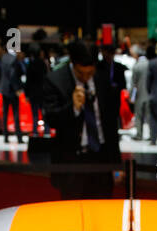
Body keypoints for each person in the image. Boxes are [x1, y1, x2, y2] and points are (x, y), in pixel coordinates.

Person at [41, 39, 120, 199]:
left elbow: (110, 124)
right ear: (72, 63)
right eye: (80, 73)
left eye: (90, 73)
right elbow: (51, 119)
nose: (85, 77)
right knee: (73, 215)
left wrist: (116, 163)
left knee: (102, 212)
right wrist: (73, 108)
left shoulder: (102, 78)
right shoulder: (55, 80)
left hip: (101, 158)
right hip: (72, 161)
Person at [0, 41, 24, 142]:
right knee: (16, 114)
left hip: (4, 89)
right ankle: (19, 136)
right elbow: (13, 76)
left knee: (5, 114)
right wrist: (17, 89)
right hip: (12, 90)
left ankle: (5, 136)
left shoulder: (4, 57)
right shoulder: (14, 59)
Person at [23, 43, 47, 134]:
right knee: (44, 113)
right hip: (42, 92)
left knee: (35, 114)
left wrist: (26, 94)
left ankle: (35, 132)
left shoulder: (31, 64)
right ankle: (46, 131)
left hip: (33, 93)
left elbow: (28, 81)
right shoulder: (43, 64)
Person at [130, 45, 150, 140]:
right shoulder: (150, 64)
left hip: (140, 94)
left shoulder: (137, 66)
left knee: (139, 116)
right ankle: (152, 135)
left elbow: (133, 84)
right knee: (149, 116)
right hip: (150, 94)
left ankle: (139, 134)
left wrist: (131, 97)